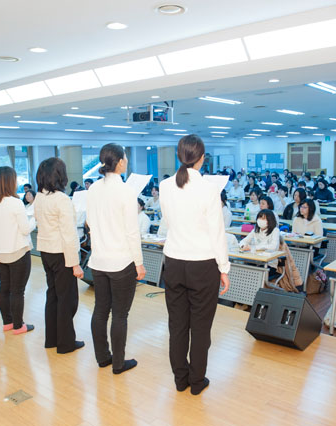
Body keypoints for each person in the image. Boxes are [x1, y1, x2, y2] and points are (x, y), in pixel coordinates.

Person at [159, 135, 230, 395]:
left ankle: (181, 379)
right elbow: (217, 233)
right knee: (201, 327)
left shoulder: (165, 186)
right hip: (203, 264)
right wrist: (224, 268)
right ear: (201, 158)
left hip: (174, 262)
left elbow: (168, 222)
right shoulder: (209, 189)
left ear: (179, 156)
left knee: (177, 325)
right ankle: (197, 382)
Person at [87, 143, 146, 374]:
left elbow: (89, 223)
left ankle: (103, 358)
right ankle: (119, 364)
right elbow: (132, 232)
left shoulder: (93, 189)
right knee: (120, 314)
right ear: (120, 162)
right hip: (121, 261)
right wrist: (139, 263)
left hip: (98, 261)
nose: (126, 161)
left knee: (100, 310)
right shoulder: (126, 191)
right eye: (125, 158)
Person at [33, 158, 85, 352]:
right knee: (67, 299)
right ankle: (66, 343)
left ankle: (52, 339)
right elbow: (69, 234)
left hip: (46, 251)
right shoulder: (61, 199)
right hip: (62, 253)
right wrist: (75, 264)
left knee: (53, 295)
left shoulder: (40, 197)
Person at [0, 167, 36, 334]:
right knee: (18, 291)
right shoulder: (15, 202)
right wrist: (34, 219)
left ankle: (7, 322)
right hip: (17, 251)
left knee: (4, 288)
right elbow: (25, 229)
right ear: (11, 181)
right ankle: (18, 325)